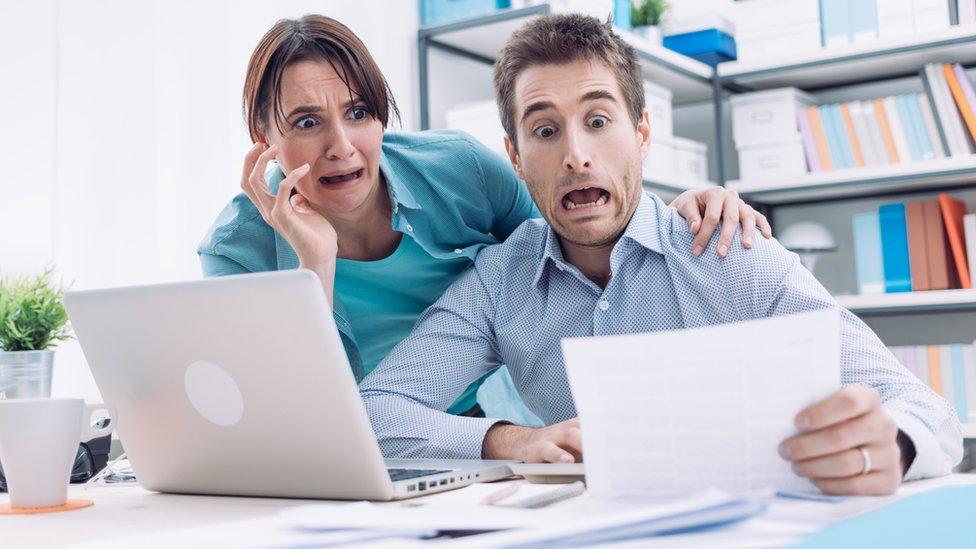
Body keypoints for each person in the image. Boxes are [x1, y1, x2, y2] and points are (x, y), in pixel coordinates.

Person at [358, 14, 963, 496]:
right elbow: (376, 413)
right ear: (514, 157)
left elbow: (926, 410)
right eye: (545, 131)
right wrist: (509, 441)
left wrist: (894, 445)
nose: (576, 155)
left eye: (598, 120)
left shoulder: (728, 249)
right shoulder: (500, 282)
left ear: (642, 133)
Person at [197, 14, 770, 420]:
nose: (341, 145)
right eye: (305, 122)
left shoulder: (459, 171)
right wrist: (313, 265)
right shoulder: (237, 247)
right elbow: (282, 415)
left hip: (494, 419)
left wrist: (667, 215)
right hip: (361, 431)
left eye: (359, 111)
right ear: (263, 137)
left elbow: (565, 245)